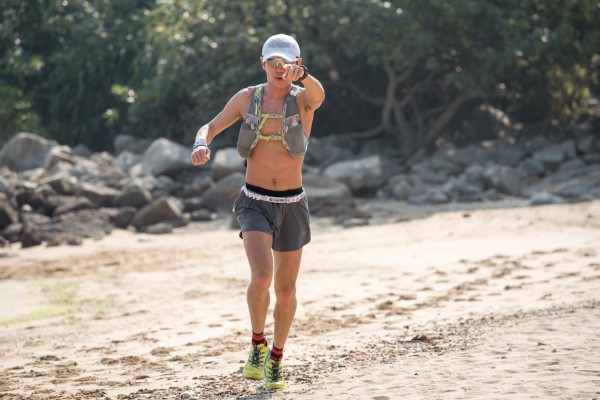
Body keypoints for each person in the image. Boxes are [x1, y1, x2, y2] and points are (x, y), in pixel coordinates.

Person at [190, 33, 325, 390]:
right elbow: (211, 126)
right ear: (262, 63)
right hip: (254, 201)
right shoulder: (247, 98)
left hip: (292, 204)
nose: (279, 69)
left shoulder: (303, 99)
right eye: (273, 62)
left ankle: (276, 359)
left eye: (286, 63)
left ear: (296, 65)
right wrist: (201, 142)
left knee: (286, 289)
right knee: (262, 277)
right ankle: (257, 343)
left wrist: (304, 76)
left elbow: (319, 96)